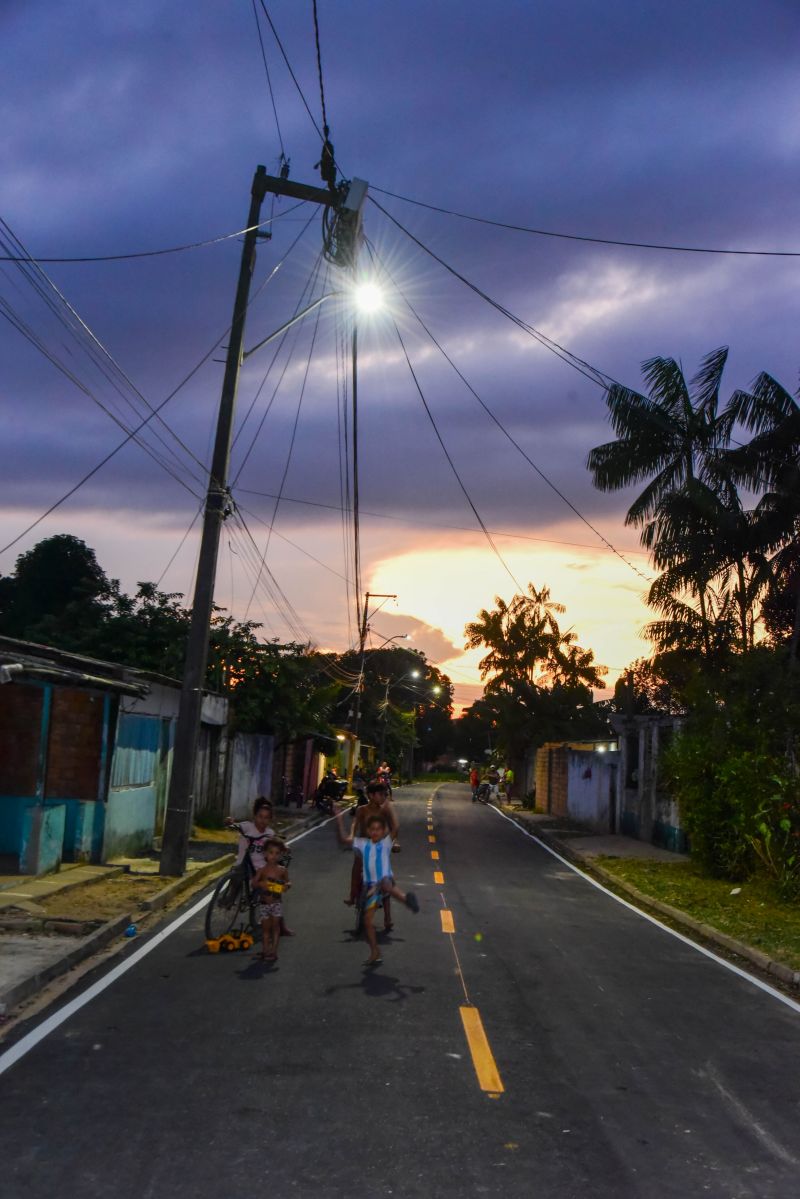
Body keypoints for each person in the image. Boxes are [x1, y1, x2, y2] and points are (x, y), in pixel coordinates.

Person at [334, 807, 419, 966]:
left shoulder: (386, 843)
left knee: (385, 884)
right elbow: (344, 840)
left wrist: (389, 808)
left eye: (378, 830)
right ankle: (375, 951)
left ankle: (406, 899)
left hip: (385, 881)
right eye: (372, 829)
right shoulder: (362, 844)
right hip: (371, 886)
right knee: (367, 922)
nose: (375, 832)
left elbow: (396, 827)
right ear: (367, 830)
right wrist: (339, 819)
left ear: (383, 831)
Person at [225, 798, 294, 936]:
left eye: (266, 818)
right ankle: (228, 900)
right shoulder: (246, 827)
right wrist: (230, 822)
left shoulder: (269, 833)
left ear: (270, 819)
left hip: (262, 868)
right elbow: (233, 825)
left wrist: (284, 847)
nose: (262, 820)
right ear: (254, 816)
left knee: (275, 892)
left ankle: (282, 926)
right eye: (260, 816)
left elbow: (277, 844)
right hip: (244, 864)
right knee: (236, 876)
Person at [345, 781, 399, 931]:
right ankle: (352, 895)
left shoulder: (385, 811)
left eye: (385, 794)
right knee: (357, 866)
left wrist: (394, 842)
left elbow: (393, 828)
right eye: (381, 794)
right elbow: (355, 824)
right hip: (364, 844)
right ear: (371, 795)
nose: (384, 797)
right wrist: (351, 835)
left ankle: (387, 917)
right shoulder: (361, 810)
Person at [251, 839, 290, 962]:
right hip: (264, 904)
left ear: (281, 855)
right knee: (265, 929)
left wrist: (286, 886)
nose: (274, 856)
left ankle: (273, 951)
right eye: (271, 852)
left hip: (276, 904)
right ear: (265, 854)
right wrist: (261, 884)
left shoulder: (282, 870)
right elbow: (253, 883)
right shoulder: (261, 870)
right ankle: (265, 950)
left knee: (275, 928)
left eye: (277, 853)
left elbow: (288, 883)